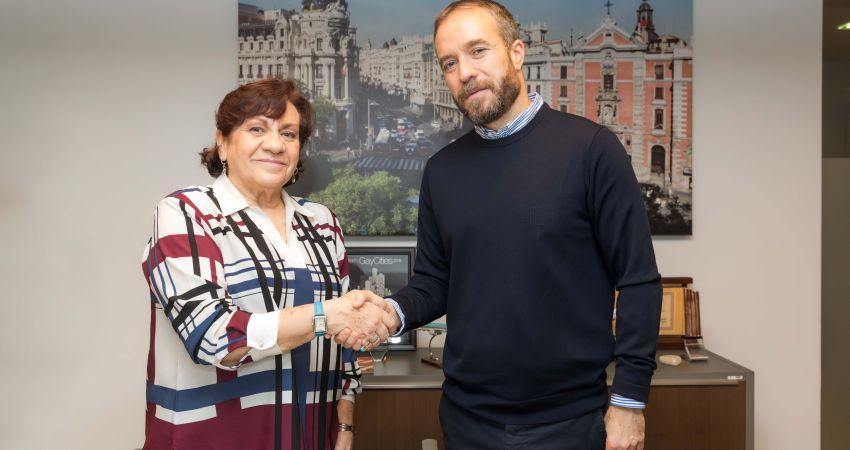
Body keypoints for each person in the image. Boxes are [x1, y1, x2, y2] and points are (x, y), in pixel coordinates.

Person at [336, 1, 662, 449]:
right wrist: (388, 314)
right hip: (467, 422)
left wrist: (628, 402)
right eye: (449, 63)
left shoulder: (592, 150)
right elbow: (434, 282)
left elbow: (639, 280)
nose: (464, 72)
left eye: (478, 51)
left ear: (517, 52)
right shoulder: (442, 171)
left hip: (571, 423)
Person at [141, 78, 394, 450]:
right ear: (223, 142)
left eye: (289, 134)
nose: (275, 144)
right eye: (257, 129)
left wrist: (345, 426)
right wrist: (325, 316)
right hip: (211, 439)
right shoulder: (186, 212)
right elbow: (212, 336)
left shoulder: (322, 222)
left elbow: (344, 349)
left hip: (311, 438)